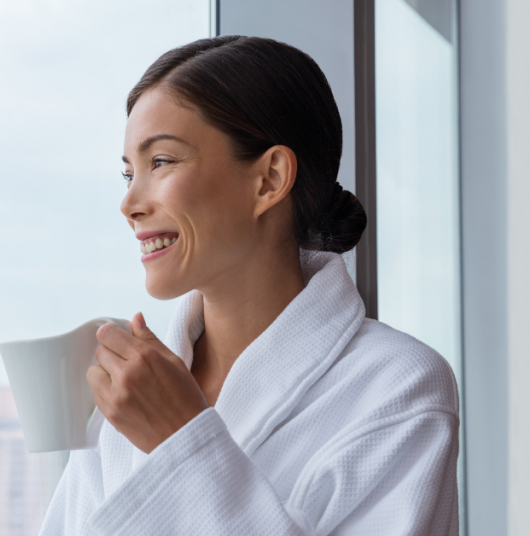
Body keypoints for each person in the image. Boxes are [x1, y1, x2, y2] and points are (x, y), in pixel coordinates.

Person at [39, 36, 460, 535]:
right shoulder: (131, 388)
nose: (130, 202)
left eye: (161, 162)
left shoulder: (399, 387)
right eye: (128, 173)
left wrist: (181, 441)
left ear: (269, 179)